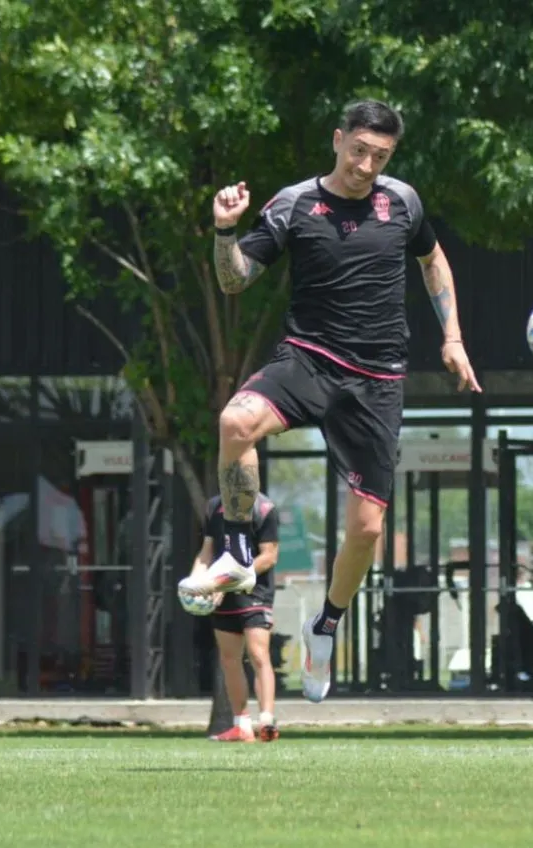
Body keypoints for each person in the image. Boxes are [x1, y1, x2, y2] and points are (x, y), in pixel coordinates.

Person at [178, 99, 481, 704]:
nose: (367, 165)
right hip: (309, 359)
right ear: (338, 139)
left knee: (368, 528)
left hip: (378, 379)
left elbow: (432, 259)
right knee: (235, 420)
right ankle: (236, 554)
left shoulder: (403, 201)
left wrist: (452, 337)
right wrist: (224, 228)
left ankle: (326, 624)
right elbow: (235, 279)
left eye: (381, 156)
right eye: (360, 150)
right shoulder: (294, 204)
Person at [187, 492, 281, 742]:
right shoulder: (214, 505)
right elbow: (206, 553)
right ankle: (242, 726)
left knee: (259, 654)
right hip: (221, 593)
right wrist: (197, 583)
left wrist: (229, 579)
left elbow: (269, 556)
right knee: (229, 659)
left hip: (253, 592)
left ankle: (266, 721)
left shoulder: (264, 508)